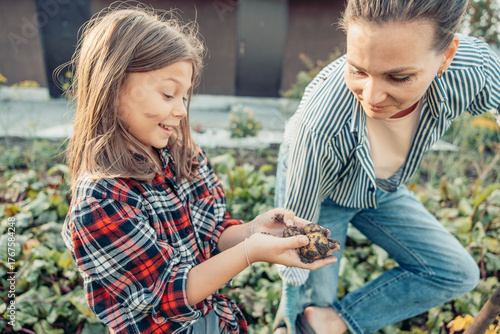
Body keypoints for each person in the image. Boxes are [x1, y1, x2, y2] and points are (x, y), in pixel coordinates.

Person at [60, 5, 337, 334]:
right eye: (167, 94)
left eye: (185, 97)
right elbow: (170, 292)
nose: (180, 110)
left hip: (213, 318)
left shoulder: (184, 156)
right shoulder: (100, 202)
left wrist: (254, 232)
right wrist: (251, 252)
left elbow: (211, 235)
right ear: (114, 85)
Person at [273, 0, 500, 333]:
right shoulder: (319, 121)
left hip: (381, 186)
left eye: (399, 76)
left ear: (447, 56)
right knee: (311, 313)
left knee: (458, 272)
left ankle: (338, 320)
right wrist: (291, 302)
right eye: (358, 70)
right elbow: (298, 223)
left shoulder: (471, 68)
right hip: (322, 194)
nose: (373, 96)